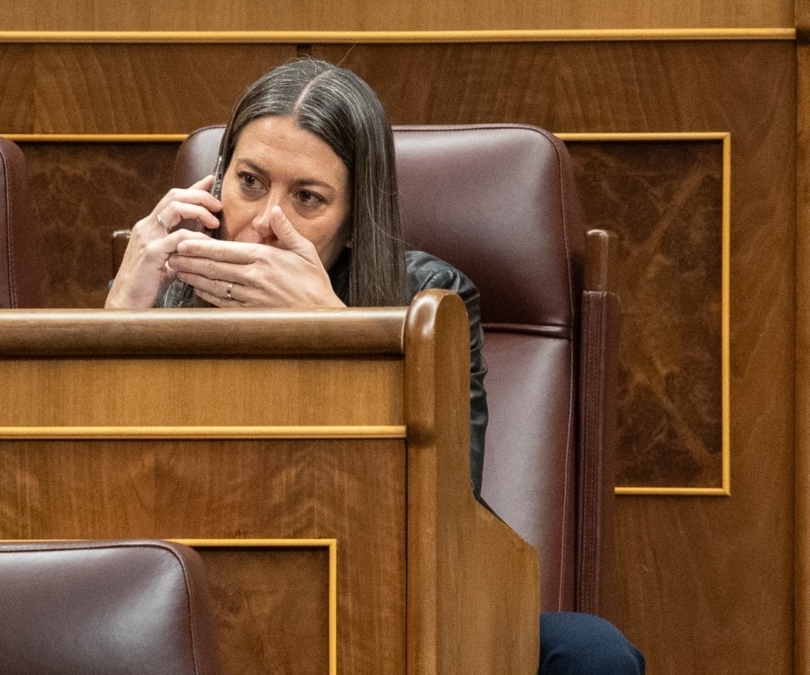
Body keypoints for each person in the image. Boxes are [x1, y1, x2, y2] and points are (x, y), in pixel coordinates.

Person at [108, 57, 645, 675]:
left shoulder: (430, 299)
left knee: (591, 650)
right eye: (250, 182)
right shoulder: (159, 290)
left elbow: (444, 504)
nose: (264, 223)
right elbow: (109, 498)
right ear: (215, 182)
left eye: (307, 197)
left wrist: (333, 329)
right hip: (209, 592)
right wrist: (124, 310)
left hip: (382, 589)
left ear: (355, 217)